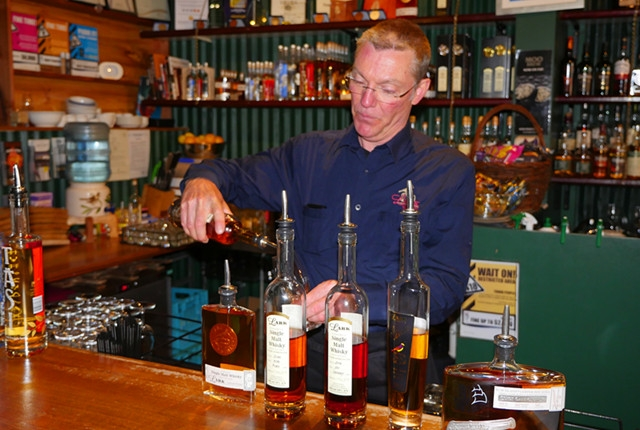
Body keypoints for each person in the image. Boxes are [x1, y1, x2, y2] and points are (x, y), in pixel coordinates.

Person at [178, 19, 475, 405]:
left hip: (392, 364)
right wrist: (201, 181)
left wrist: (351, 299)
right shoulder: (307, 154)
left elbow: (447, 287)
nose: (365, 101)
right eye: (359, 82)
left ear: (419, 90)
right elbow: (231, 175)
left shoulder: (447, 171)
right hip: (303, 357)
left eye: (387, 90)